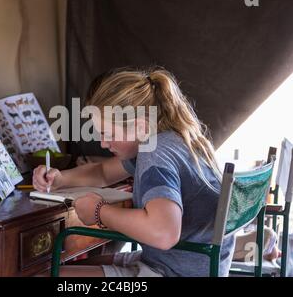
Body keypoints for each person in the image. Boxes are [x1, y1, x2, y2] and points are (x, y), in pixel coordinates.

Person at [33, 66, 235, 277]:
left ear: (139, 126)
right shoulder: (171, 139)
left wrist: (99, 211)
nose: (103, 143)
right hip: (189, 264)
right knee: (72, 266)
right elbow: (103, 172)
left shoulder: (155, 154)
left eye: (108, 134)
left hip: (174, 271)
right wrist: (60, 178)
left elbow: (164, 234)